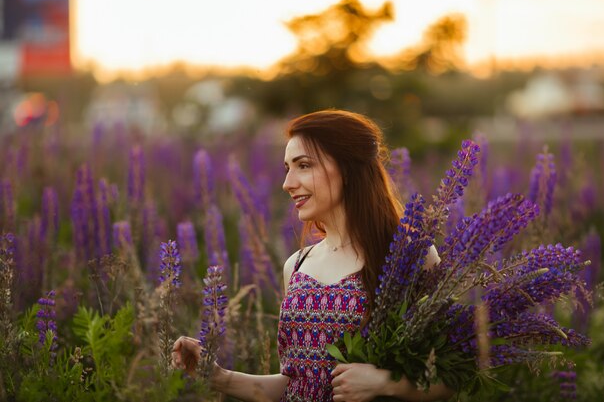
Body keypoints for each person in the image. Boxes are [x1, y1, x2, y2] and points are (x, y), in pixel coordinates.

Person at [172, 110, 453, 402]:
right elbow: (294, 383)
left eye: (303, 165)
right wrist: (218, 376)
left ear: (347, 168)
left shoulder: (410, 255)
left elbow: (449, 379)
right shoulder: (297, 266)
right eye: (287, 168)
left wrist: (386, 383)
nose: (288, 183)